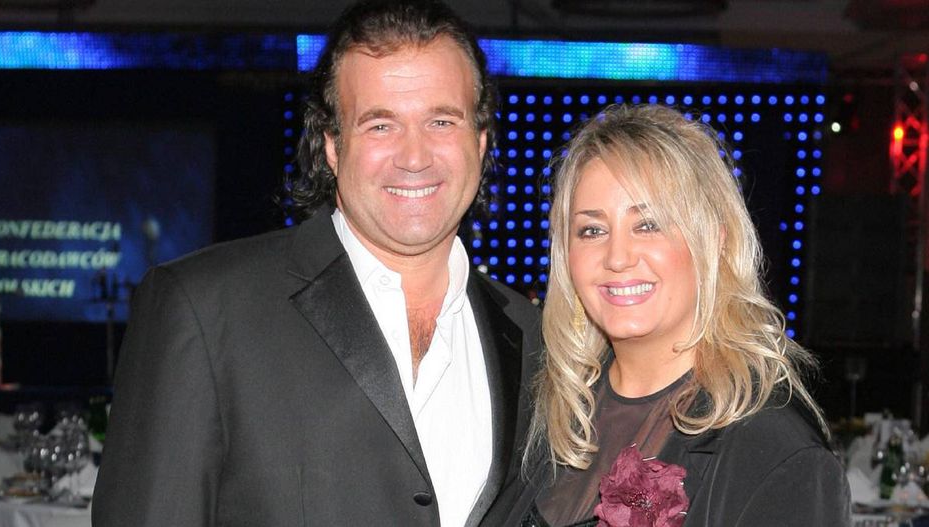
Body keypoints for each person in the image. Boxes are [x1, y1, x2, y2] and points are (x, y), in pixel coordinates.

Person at [91, 1, 540, 525]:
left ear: (481, 143)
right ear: (331, 146)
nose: (415, 156)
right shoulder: (202, 310)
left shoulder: (531, 336)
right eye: (380, 125)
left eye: (441, 121)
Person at [513, 104, 851, 526]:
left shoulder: (776, 456)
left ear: (715, 241)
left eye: (648, 225)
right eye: (592, 230)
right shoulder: (547, 415)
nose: (617, 257)